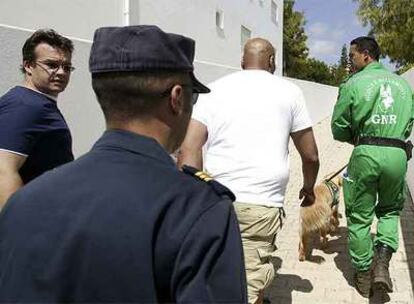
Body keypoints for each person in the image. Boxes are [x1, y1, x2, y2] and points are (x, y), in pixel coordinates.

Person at [0, 25, 247, 303]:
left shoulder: (22, 205)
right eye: (193, 96)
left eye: (66, 66)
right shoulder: (200, 211)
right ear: (177, 98)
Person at [178, 37, 319, 304]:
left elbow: (188, 150)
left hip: (213, 200)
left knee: (216, 269)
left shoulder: (214, 90)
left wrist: (192, 198)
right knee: (249, 282)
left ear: (242, 61)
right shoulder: (290, 92)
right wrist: (309, 188)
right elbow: (310, 155)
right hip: (261, 204)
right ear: (273, 62)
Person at [331, 36, 414, 298]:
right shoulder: (402, 84)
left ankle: (365, 275)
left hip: (366, 154)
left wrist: (357, 137)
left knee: (359, 217)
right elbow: (409, 123)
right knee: (390, 211)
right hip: (397, 155)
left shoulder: (354, 83)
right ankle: (382, 264)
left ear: (366, 55)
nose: (351, 62)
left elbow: (338, 127)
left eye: (352, 57)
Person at [0, 29, 75, 208]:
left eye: (67, 67)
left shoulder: (36, 104)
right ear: (28, 65)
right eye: (51, 64)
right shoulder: (25, 105)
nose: (61, 72)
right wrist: (15, 229)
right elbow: (3, 170)